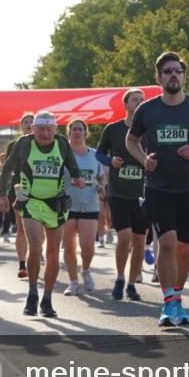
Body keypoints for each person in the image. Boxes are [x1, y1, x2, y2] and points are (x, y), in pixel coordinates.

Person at [127, 52, 189, 327]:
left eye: (177, 70)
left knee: (183, 249)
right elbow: (131, 140)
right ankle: (168, 303)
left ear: (184, 76)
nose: (173, 75)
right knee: (166, 243)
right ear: (158, 78)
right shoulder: (148, 110)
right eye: (167, 71)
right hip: (159, 187)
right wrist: (144, 160)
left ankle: (177, 298)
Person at [0, 111, 84, 318]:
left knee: (53, 252)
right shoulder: (24, 143)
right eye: (41, 130)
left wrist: (77, 178)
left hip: (55, 204)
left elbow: (72, 166)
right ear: (33, 129)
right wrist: (2, 195)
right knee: (36, 247)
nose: (45, 134)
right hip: (31, 202)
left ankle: (47, 299)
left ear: (55, 130)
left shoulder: (61, 143)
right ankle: (32, 294)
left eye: (49, 130)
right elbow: (8, 167)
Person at [96, 88, 149, 300]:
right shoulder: (113, 129)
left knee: (140, 240)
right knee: (125, 237)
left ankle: (132, 283)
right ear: (126, 104)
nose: (139, 103)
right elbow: (99, 153)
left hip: (142, 194)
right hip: (118, 192)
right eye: (135, 100)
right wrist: (111, 161)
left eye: (142, 100)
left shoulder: (149, 130)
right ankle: (119, 277)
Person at [62, 118, 107, 296]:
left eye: (80, 129)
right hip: (67, 205)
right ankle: (72, 281)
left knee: (87, 245)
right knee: (69, 246)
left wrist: (101, 186)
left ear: (85, 133)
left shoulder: (94, 155)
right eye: (74, 129)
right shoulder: (63, 154)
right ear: (68, 133)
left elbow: (101, 177)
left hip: (89, 204)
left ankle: (85, 270)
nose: (77, 132)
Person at [5, 113, 35, 278]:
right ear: (21, 126)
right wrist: (3, 192)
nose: (29, 124)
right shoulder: (13, 144)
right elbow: (8, 168)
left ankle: (35, 253)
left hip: (41, 189)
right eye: (26, 122)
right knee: (21, 226)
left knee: (38, 229)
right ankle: (22, 264)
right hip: (19, 187)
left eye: (32, 121)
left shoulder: (45, 143)